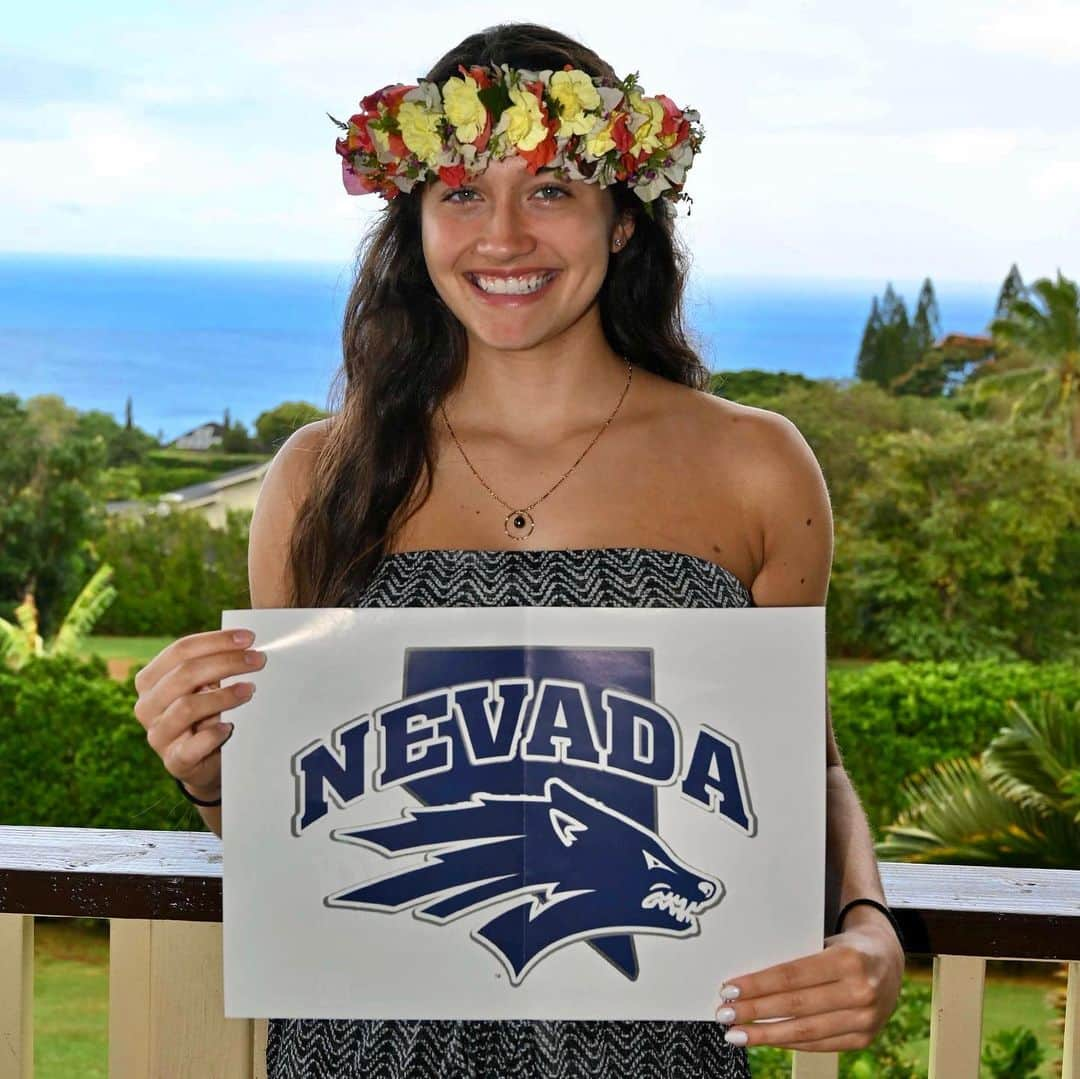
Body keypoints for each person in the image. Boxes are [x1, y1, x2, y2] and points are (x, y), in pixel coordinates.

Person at [132, 21, 906, 1079]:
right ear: (416, 221)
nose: (502, 237)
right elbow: (302, 844)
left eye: (549, 190)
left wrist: (866, 923)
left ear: (623, 221)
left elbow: (805, 760)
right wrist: (212, 774)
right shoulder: (320, 475)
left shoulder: (757, 466)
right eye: (460, 194)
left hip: (654, 1052)